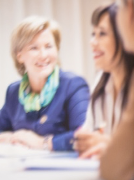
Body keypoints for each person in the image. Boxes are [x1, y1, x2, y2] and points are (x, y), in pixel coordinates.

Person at [0, 16, 88, 151]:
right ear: (19, 56)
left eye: (48, 46)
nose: (43, 55)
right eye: (34, 48)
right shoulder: (13, 92)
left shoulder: (73, 85)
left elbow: (84, 136)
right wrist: (11, 137)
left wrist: (42, 142)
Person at [73, 3, 134, 156]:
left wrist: (108, 144)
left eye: (102, 34)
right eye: (93, 34)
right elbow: (88, 132)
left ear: (122, 37)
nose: (93, 42)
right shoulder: (100, 83)